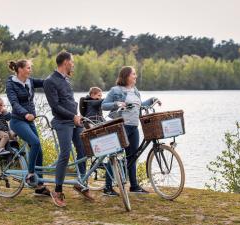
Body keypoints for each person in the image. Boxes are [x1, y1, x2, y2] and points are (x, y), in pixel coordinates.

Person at [43, 51, 94, 207]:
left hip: (74, 122)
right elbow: (55, 106)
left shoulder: (66, 80)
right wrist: (72, 117)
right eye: (71, 61)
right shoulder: (50, 81)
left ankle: (80, 183)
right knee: (65, 154)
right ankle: (57, 191)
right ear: (65, 62)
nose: (73, 64)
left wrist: (78, 117)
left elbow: (69, 102)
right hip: (62, 122)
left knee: (84, 150)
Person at [102, 66, 161, 195]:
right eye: (133, 74)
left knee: (133, 157)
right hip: (120, 126)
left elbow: (139, 105)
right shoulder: (115, 90)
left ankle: (134, 186)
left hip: (134, 127)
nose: (135, 76)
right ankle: (107, 187)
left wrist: (152, 100)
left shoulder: (135, 91)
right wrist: (117, 104)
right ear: (126, 76)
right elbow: (104, 105)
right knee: (115, 156)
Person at [6, 59, 50, 196]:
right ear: (20, 69)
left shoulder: (30, 81)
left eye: (30, 68)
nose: (30, 70)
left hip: (29, 121)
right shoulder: (11, 83)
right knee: (35, 142)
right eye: (28, 68)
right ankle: (31, 174)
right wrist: (25, 114)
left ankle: (40, 186)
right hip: (18, 120)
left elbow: (45, 82)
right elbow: (14, 103)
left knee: (39, 151)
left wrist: (58, 78)